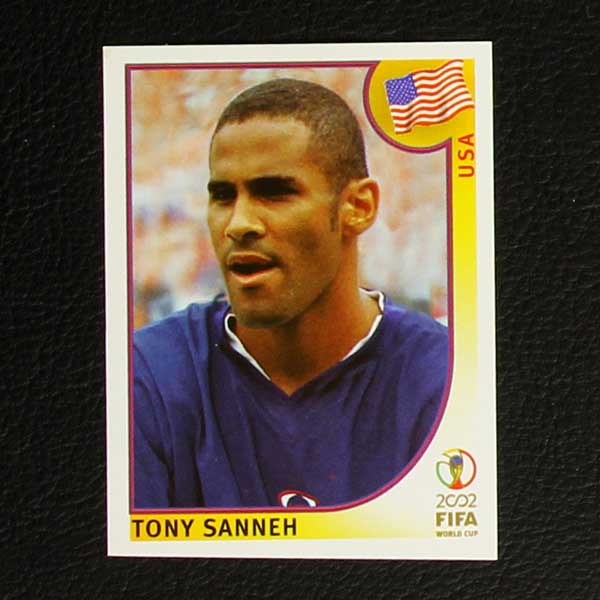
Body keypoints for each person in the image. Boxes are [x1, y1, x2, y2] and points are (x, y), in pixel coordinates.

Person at [133, 78, 448, 509]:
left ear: (358, 207)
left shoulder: (443, 378)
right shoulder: (150, 374)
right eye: (223, 196)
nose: (239, 224)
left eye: (275, 193)